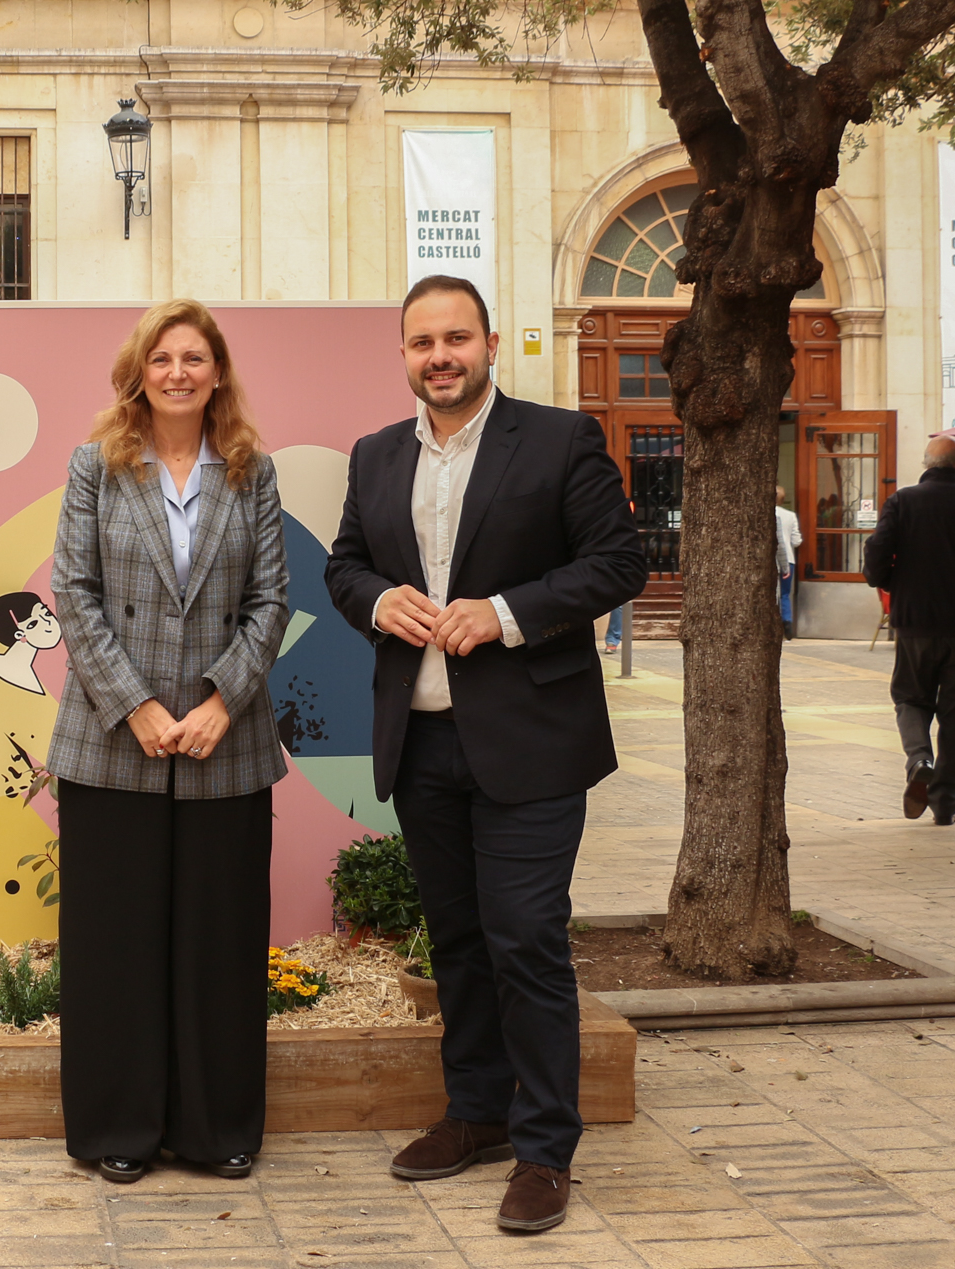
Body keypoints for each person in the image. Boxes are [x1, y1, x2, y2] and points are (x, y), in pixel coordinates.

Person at [323, 275, 646, 1234]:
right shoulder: (377, 454)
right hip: (419, 739)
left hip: (532, 744)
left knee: (527, 944)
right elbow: (345, 563)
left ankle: (545, 1147)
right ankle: (478, 1114)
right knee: (458, 943)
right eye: (422, 341)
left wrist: (503, 615)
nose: (440, 355)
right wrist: (378, 601)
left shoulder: (558, 439)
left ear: (492, 343)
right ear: (404, 356)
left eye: (456, 336)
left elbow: (617, 562)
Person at [47, 298, 289, 1185]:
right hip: (117, 740)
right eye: (163, 358)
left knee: (220, 941)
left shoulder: (248, 470)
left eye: (195, 357)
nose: (179, 372)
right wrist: (137, 705)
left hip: (227, 739)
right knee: (115, 942)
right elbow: (74, 594)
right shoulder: (95, 467)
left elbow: (271, 599)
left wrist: (225, 698)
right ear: (139, 371)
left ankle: (216, 1125)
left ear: (217, 372)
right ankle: (120, 1124)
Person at [864, 435, 955, 825]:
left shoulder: (902, 502)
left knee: (910, 697)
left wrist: (891, 582)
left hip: (915, 622)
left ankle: (919, 758)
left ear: (926, 464)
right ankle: (945, 802)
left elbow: (877, 553)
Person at [775, 487, 802, 639]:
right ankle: (787, 624)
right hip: (789, 559)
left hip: (770, 560)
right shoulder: (790, 515)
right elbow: (796, 540)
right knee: (785, 594)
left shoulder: (762, 514)